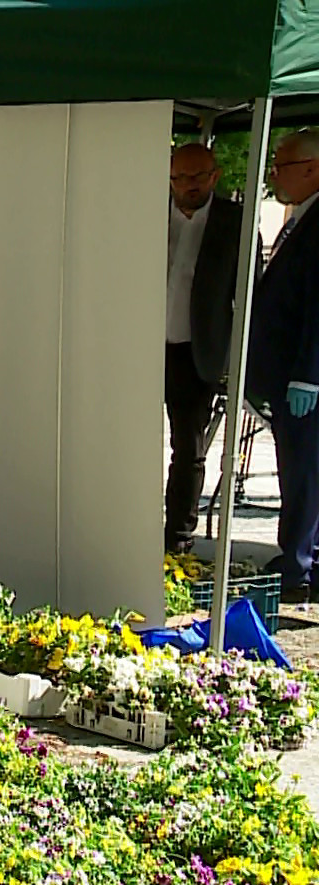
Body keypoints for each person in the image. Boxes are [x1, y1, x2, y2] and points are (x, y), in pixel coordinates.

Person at [247, 129, 319, 601]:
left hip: (304, 374)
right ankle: (297, 553)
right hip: (286, 370)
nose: (274, 174)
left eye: (282, 166)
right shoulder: (302, 219)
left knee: (305, 470)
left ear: (312, 168)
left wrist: (308, 374)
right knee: (296, 469)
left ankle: (299, 568)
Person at [163, 143, 243, 554]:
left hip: (196, 353)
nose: (190, 186)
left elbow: (247, 297)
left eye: (199, 177)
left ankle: (177, 537)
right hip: (141, 349)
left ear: (215, 176)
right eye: (181, 178)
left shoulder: (236, 223)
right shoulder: (148, 216)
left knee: (188, 449)